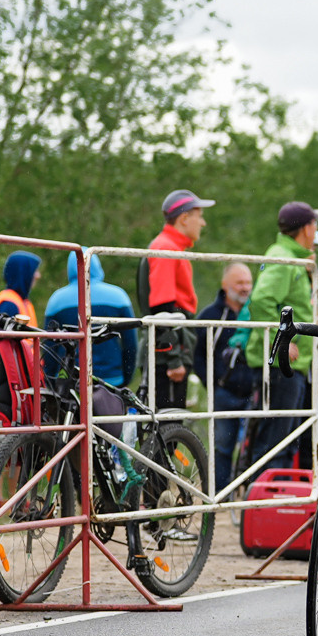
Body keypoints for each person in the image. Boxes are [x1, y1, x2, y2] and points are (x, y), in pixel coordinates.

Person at [245, 201, 318, 474]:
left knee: (287, 440)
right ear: (306, 228)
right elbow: (261, 301)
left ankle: (275, 494)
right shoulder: (284, 258)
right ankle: (262, 495)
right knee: (276, 442)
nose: (316, 229)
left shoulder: (295, 258)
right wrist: (280, 341)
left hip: (293, 364)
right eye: (314, 224)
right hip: (281, 364)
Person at [46, 250, 137, 485]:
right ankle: (119, 483)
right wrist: (126, 375)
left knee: (76, 439)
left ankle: (79, 490)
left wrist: (52, 382)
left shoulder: (56, 300)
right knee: (113, 438)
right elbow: (130, 344)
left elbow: (49, 347)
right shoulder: (118, 296)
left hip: (73, 386)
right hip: (112, 381)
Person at [140, 189, 213, 411]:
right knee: (168, 422)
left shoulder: (170, 246)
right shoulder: (166, 248)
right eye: (199, 216)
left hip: (168, 348)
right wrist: (173, 359)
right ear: (184, 218)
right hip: (167, 354)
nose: (203, 223)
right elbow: (162, 309)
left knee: (168, 422)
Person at [198, 262, 256, 491]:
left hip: (254, 392)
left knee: (255, 447)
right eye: (239, 282)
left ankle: (250, 497)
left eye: (248, 282)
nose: (245, 288)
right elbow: (197, 355)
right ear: (225, 285)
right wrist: (213, 383)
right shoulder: (210, 316)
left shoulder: (258, 313)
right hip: (223, 393)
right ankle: (219, 496)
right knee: (222, 447)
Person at [0, 250, 41, 324]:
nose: (38, 276)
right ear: (23, 273)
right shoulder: (9, 304)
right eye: (34, 271)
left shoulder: (23, 302)